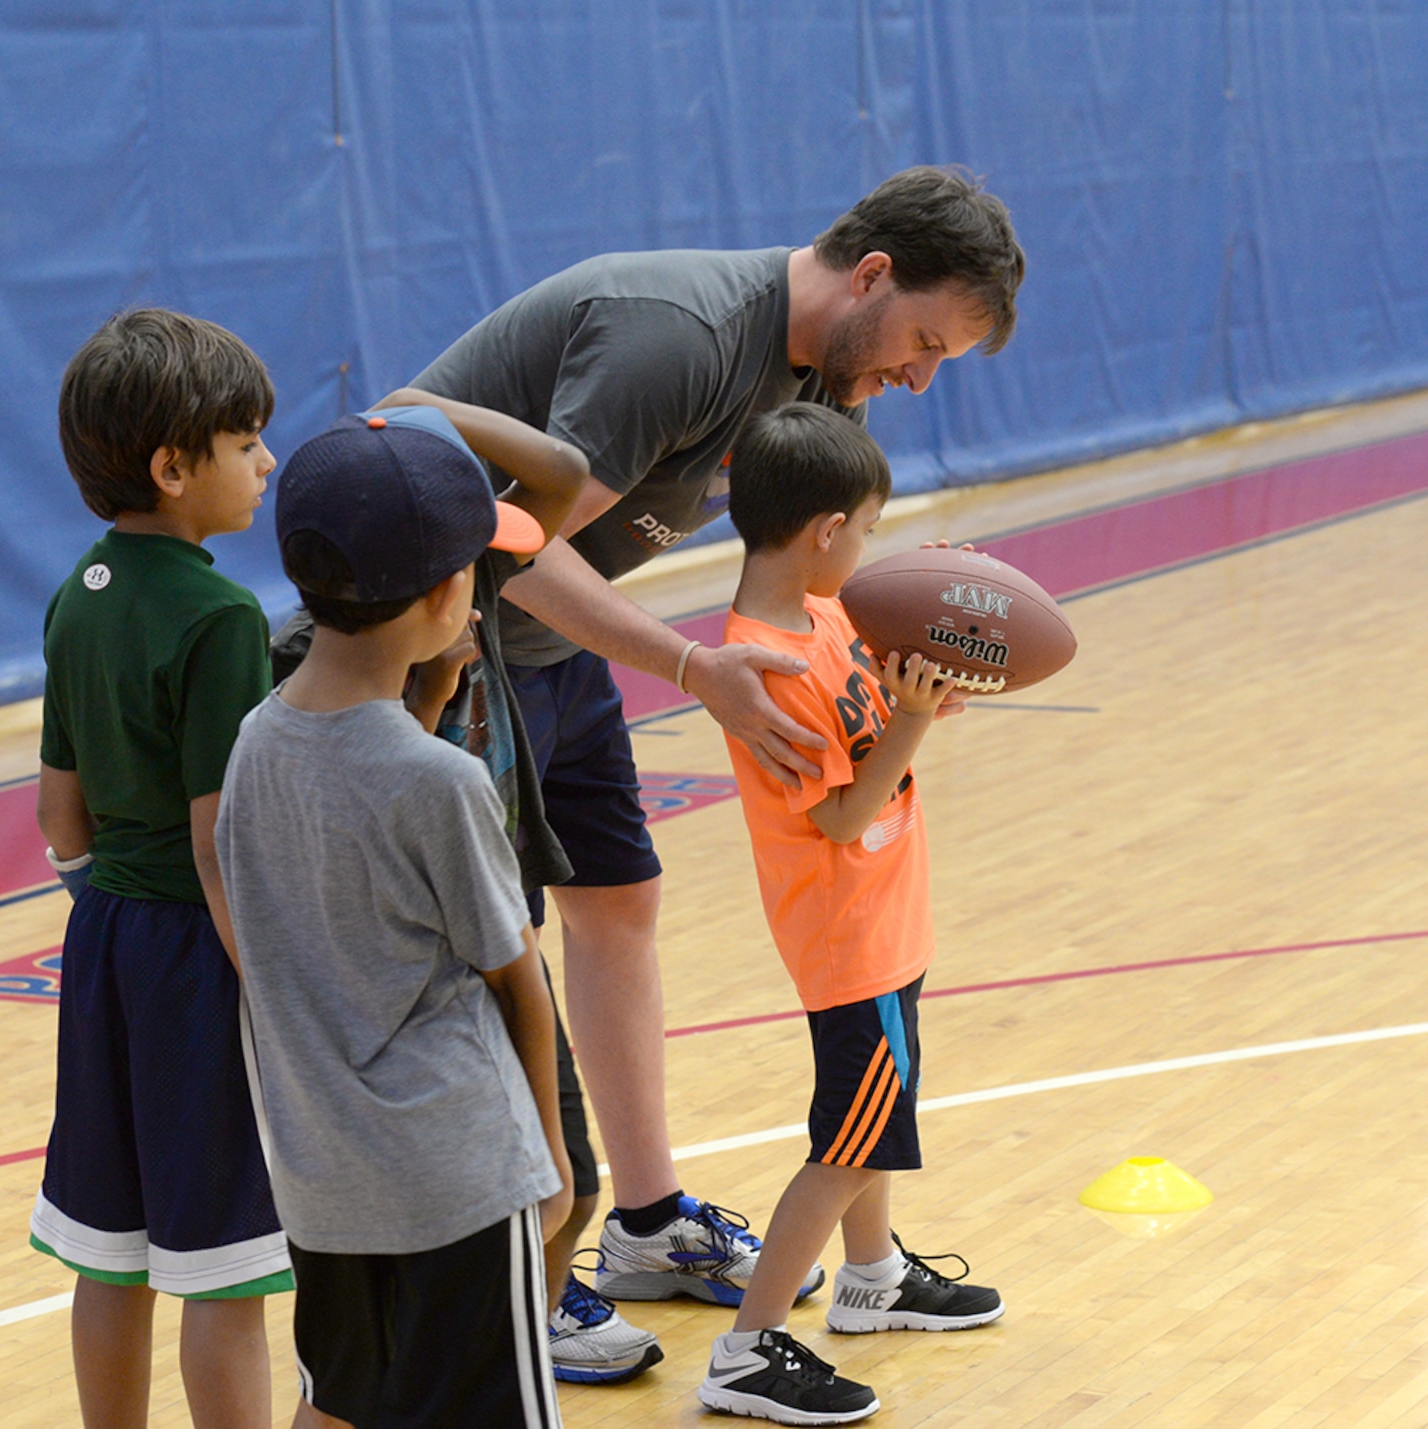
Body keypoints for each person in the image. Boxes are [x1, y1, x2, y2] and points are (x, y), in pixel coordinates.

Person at [407, 166, 1025, 1314]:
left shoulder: (829, 383)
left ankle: (642, 1226)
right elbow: (509, 547)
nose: (920, 376)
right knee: (493, 956)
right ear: (872, 274)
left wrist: (909, 678)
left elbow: (816, 579)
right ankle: (519, 1281)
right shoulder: (679, 341)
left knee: (620, 901)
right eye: (924, 342)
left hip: (549, 646)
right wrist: (690, 665)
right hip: (434, 656)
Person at [265, 392, 657, 1383]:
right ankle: (488, 1344)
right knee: (507, 1200)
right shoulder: (301, 673)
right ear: (420, 573)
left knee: (570, 1176)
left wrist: (425, 406)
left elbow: (561, 476)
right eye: (464, 567)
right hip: (411, 996)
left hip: (489, 936)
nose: (481, 594)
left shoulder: (454, 593)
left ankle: (525, 1311)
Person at [216, 411, 576, 1428]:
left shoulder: (255, 742)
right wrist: (546, 1165)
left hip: (325, 1181)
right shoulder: (441, 781)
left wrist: (423, 704)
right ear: (442, 594)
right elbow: (518, 980)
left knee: (338, 1405)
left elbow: (352, 846)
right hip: (456, 1179)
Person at [697, 405, 1004, 1426]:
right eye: (867, 528)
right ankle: (745, 1350)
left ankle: (871, 1275)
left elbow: (866, 725)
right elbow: (839, 814)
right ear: (825, 529)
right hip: (847, 939)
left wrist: (919, 695)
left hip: (886, 926)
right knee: (853, 1141)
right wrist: (908, 727)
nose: (870, 549)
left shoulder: (823, 616)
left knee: (875, 1119)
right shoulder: (767, 665)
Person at [31, 308, 291, 1428]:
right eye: (244, 443)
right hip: (199, 956)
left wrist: (111, 915)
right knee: (223, 1257)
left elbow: (56, 816)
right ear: (173, 466)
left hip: (103, 949)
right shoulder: (222, 614)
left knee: (114, 1248)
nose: (268, 461)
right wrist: (276, 989)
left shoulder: (74, 593)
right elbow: (216, 842)